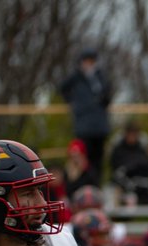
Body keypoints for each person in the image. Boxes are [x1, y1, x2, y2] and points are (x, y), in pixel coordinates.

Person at [59, 49, 112, 183]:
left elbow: (107, 95)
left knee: (98, 159)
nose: (89, 64)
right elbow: (62, 88)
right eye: (87, 61)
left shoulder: (100, 77)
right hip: (83, 125)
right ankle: (84, 185)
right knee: (82, 158)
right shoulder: (76, 77)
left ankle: (96, 186)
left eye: (92, 61)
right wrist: (74, 103)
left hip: (100, 126)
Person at [108, 120, 148, 205]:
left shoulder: (142, 148)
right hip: (122, 183)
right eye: (130, 133)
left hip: (140, 185)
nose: (132, 136)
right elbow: (115, 168)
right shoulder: (118, 149)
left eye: (135, 133)